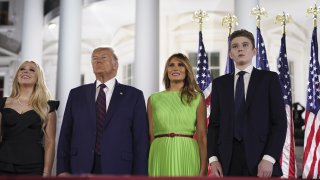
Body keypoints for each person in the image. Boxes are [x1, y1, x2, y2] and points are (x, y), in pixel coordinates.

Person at [57, 47, 149, 175]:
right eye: (94, 59)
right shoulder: (76, 95)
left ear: (115, 65)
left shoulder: (134, 96)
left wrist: (139, 175)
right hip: (80, 166)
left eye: (103, 58)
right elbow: (65, 134)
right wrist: (62, 170)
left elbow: (141, 140)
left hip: (120, 168)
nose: (98, 61)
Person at [207, 29, 287, 178]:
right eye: (235, 46)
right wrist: (213, 159)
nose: (240, 49)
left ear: (254, 51)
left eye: (245, 45)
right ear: (230, 53)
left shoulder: (269, 79)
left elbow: (280, 123)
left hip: (262, 160)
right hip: (227, 162)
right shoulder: (219, 84)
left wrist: (269, 157)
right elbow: (214, 126)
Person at [148, 53, 207, 176]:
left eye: (180, 65)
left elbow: (202, 136)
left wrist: (204, 166)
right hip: (159, 153)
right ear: (166, 71)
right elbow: (150, 134)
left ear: (187, 70)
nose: (175, 68)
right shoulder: (153, 99)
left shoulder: (197, 98)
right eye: (171, 65)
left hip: (187, 153)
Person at [0, 61, 59, 176]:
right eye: (22, 69)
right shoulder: (2, 103)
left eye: (32, 70)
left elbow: (50, 143)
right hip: (3, 162)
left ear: (38, 78)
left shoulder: (48, 106)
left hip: (34, 166)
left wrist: (46, 173)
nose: (25, 71)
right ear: (17, 75)